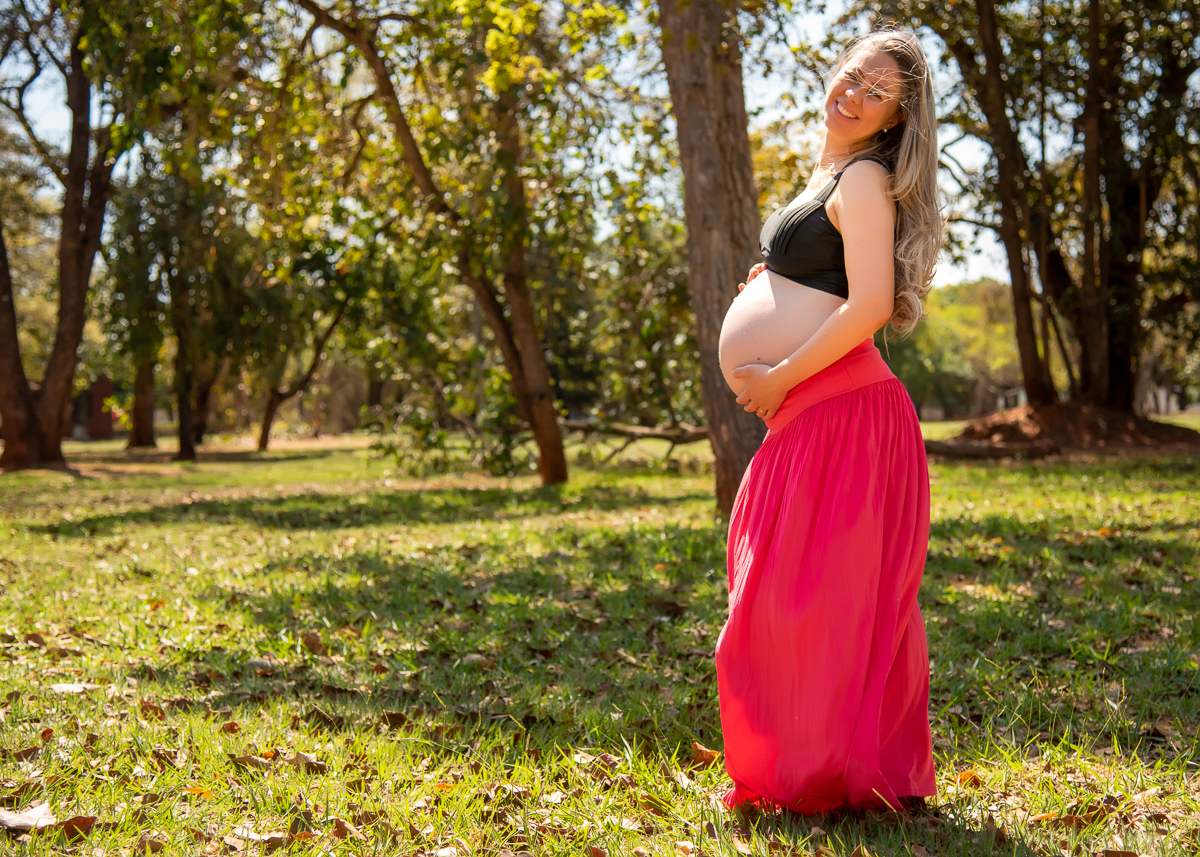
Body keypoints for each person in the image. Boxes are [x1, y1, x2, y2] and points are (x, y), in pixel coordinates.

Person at [713, 27, 943, 815]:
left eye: (875, 92)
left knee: (812, 600)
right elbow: (829, 274)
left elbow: (871, 304)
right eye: (851, 75)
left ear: (894, 121)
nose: (852, 94)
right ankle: (795, 766)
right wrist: (771, 279)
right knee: (775, 591)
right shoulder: (832, 176)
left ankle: (823, 775)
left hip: (844, 413)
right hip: (814, 413)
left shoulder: (868, 180)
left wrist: (776, 369)